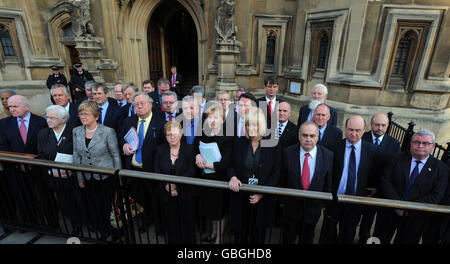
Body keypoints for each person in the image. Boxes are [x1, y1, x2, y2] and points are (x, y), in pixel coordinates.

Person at [373, 130, 448, 244]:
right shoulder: (395, 158)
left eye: (426, 143)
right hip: (389, 212)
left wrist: (410, 209)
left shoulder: (441, 169)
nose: (420, 146)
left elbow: (436, 195)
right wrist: (397, 205)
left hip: (416, 218)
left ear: (432, 146)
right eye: (416, 142)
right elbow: (384, 181)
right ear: (411, 143)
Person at [319, 115, 379, 244]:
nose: (354, 133)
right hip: (334, 199)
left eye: (358, 130)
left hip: (355, 201)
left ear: (364, 130)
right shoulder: (333, 147)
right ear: (345, 129)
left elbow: (373, 175)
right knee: (327, 234)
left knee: (348, 235)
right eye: (350, 129)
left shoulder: (372, 151)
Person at [228, 107, 281, 243]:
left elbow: (276, 174)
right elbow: (231, 166)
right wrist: (233, 177)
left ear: (261, 125)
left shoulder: (273, 144)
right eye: (247, 124)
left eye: (254, 124)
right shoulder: (239, 143)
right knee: (240, 235)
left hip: (262, 200)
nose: (250, 128)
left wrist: (261, 193)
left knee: (257, 236)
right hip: (240, 197)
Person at [73, 100, 122, 240]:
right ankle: (103, 232)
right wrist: (80, 178)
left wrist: (118, 176)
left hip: (106, 177)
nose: (82, 116)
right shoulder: (76, 131)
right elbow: (76, 155)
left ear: (96, 116)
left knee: (107, 206)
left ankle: (113, 233)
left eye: (86, 114)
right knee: (94, 206)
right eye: (81, 113)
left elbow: (115, 155)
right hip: (88, 177)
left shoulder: (107, 131)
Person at [120, 92, 164, 233]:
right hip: (133, 169)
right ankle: (146, 221)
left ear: (150, 104)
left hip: (151, 171)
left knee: (155, 199)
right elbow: (121, 138)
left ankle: (159, 226)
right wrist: (124, 146)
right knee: (140, 199)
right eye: (136, 105)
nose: (139, 107)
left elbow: (163, 149)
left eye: (142, 103)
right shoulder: (128, 121)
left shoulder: (160, 123)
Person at [282, 121, 333, 244]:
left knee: (307, 239)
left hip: (313, 210)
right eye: (304, 135)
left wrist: (323, 204)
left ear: (318, 136)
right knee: (288, 239)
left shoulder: (328, 155)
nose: (308, 139)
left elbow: (328, 181)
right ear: (299, 136)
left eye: (312, 136)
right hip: (291, 209)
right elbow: (282, 179)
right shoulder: (287, 153)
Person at [0, 95, 47, 225]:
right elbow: (3, 145)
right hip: (15, 168)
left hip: (38, 168)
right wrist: (17, 160)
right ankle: (29, 223)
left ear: (26, 106)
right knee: (22, 197)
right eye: (10, 107)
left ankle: (50, 224)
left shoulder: (41, 122)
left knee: (44, 197)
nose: (12, 109)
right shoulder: (4, 123)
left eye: (15, 106)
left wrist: (33, 160)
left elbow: (44, 145)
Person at [37, 105, 82, 235]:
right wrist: (51, 168)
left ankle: (80, 223)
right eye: (47, 117)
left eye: (52, 118)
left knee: (77, 201)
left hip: (73, 176)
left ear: (63, 119)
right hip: (54, 176)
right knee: (64, 202)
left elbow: (80, 152)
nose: (48, 120)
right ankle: (72, 223)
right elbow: (41, 153)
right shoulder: (43, 133)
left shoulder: (75, 131)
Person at [358, 112, 400, 243]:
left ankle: (364, 238)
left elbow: (392, 170)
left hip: (379, 190)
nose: (380, 128)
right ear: (371, 124)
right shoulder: (360, 137)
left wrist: (379, 189)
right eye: (377, 124)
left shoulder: (394, 143)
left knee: (370, 218)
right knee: (353, 217)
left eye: (383, 125)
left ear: (388, 126)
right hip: (359, 187)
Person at [195, 103, 233, 244]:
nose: (212, 120)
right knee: (210, 210)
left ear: (222, 119)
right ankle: (213, 232)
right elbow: (195, 149)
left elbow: (225, 164)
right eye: (209, 117)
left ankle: (219, 238)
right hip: (205, 178)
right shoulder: (203, 132)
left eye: (216, 117)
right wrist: (197, 156)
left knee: (219, 211)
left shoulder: (228, 136)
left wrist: (206, 164)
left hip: (220, 180)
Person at [154, 121, 197, 244]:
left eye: (175, 133)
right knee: (171, 225)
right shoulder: (160, 150)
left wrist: (176, 186)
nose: (172, 137)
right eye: (169, 134)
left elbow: (191, 171)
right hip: (166, 195)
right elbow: (157, 171)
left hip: (185, 195)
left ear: (181, 133)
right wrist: (167, 186)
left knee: (187, 225)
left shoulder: (189, 149)